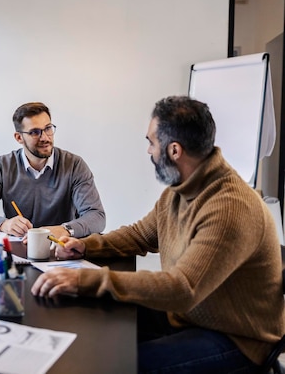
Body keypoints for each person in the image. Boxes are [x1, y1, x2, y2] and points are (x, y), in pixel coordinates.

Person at [31, 95, 285, 373]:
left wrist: (86, 279)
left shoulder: (230, 207)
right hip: (190, 316)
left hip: (236, 338)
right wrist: (86, 246)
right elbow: (140, 235)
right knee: (101, 326)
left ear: (174, 150)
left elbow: (182, 288)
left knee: (118, 363)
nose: (149, 151)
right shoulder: (182, 188)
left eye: (151, 142)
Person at [0, 101, 105, 239]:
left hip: (62, 248)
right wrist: (4, 224)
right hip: (19, 249)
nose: (45, 137)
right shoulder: (3, 166)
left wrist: (65, 230)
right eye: (34, 132)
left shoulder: (74, 165)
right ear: (19, 137)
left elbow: (97, 217)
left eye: (48, 128)